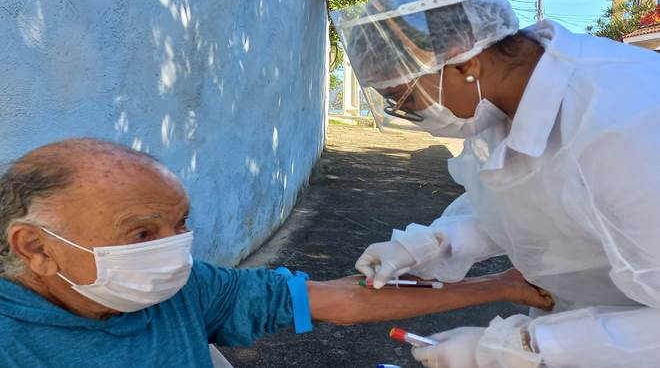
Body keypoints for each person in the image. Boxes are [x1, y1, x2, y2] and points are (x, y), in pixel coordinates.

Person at [0, 138, 552, 367]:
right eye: (143, 234)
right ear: (36, 248)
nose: (173, 251)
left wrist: (500, 287)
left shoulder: (191, 290)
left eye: (180, 225)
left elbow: (340, 301)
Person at [332, 0, 660, 367]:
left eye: (404, 98)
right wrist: (432, 244)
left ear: (465, 62)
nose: (408, 115)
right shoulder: (501, 99)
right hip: (587, 327)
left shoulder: (627, 124)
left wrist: (525, 347)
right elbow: (527, 200)